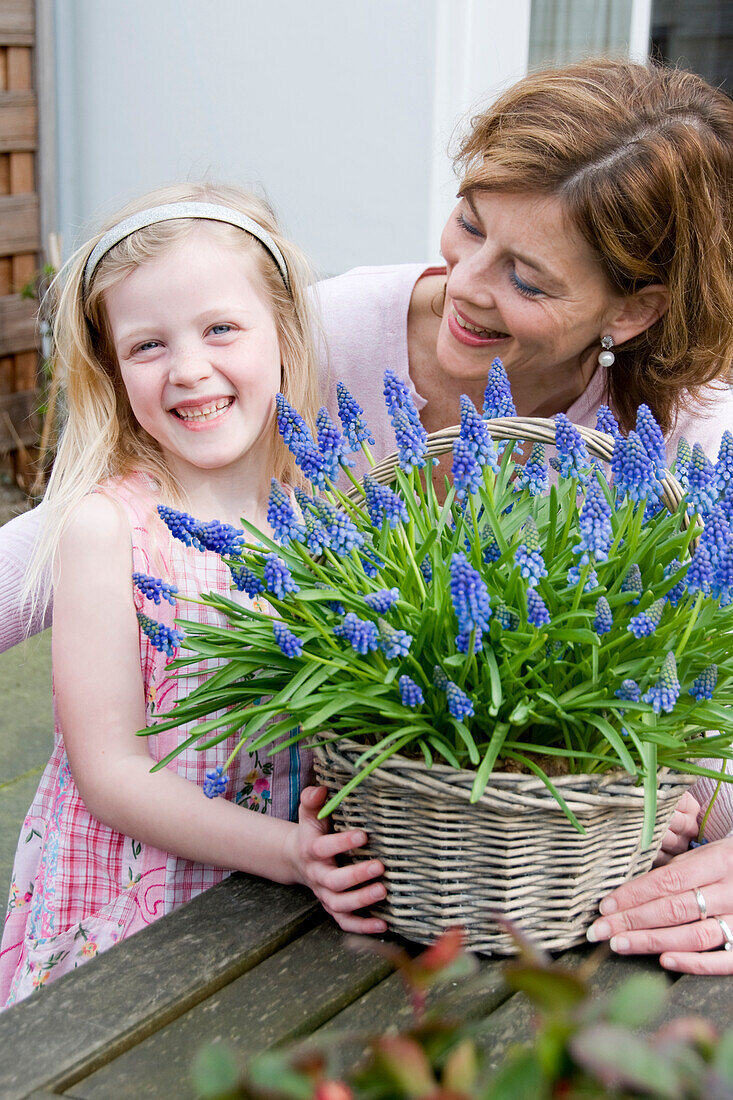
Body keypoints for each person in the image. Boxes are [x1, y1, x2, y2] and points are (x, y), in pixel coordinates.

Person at [1, 57, 732, 971]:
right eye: (467, 223)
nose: (463, 281)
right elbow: (76, 537)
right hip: (294, 880)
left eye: (527, 279)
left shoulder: (691, 433)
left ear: (631, 310)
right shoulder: (306, 340)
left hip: (524, 888)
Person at [0, 184, 387, 1008]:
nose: (188, 369)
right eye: (146, 345)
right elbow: (111, 773)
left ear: (282, 332)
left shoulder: (323, 516)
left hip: (292, 895)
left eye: (220, 329)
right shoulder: (109, 529)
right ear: (112, 368)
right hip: (142, 906)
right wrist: (286, 851)